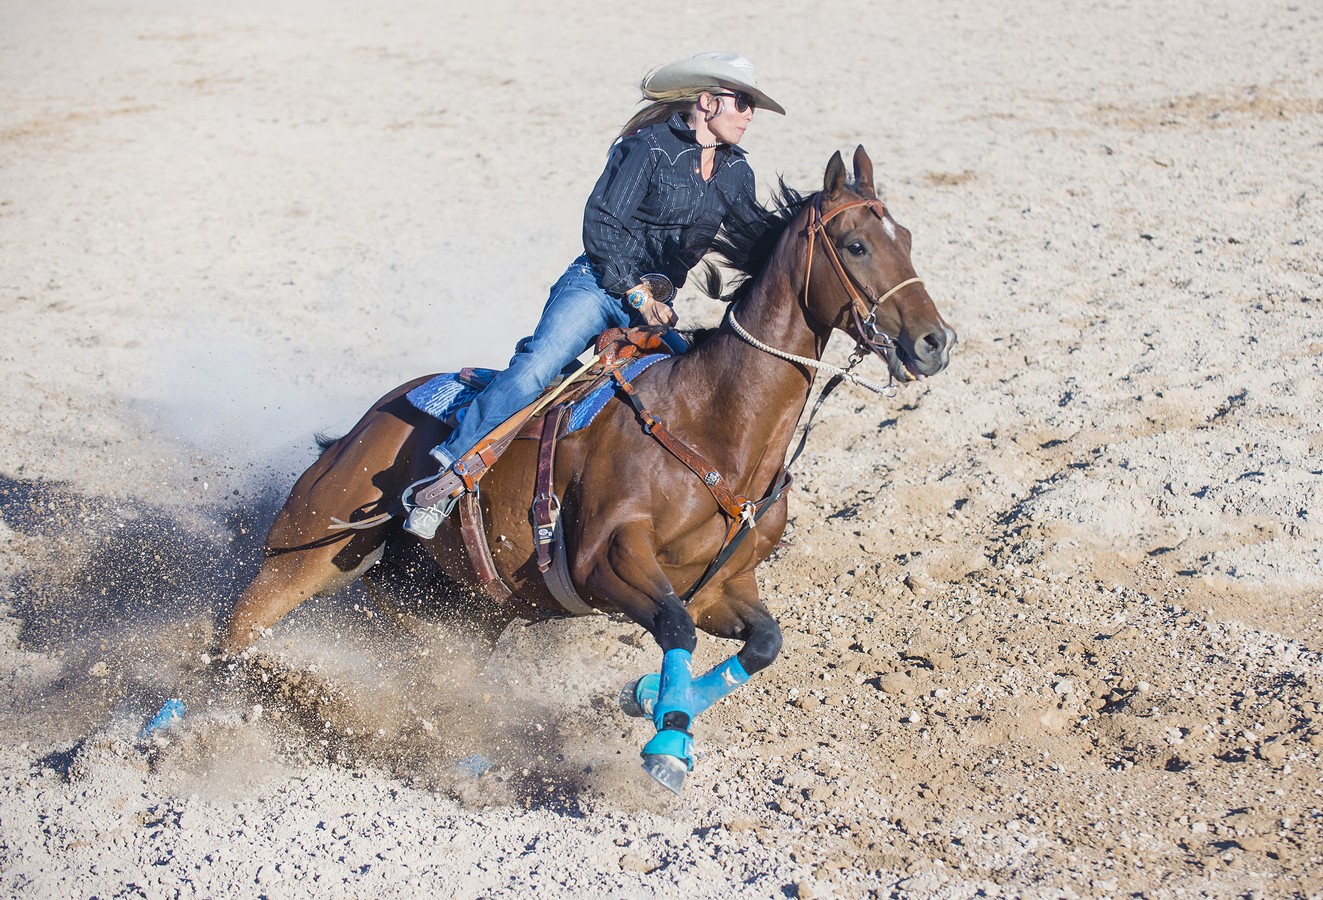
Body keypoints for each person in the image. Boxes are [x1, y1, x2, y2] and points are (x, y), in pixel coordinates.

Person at [404, 51, 785, 539]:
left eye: (752, 105)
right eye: (742, 103)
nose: (749, 114)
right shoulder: (645, 148)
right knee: (541, 365)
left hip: (655, 306)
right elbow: (602, 226)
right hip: (599, 285)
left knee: (684, 391)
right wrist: (638, 295)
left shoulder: (735, 172)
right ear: (708, 103)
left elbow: (756, 239)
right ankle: (448, 475)